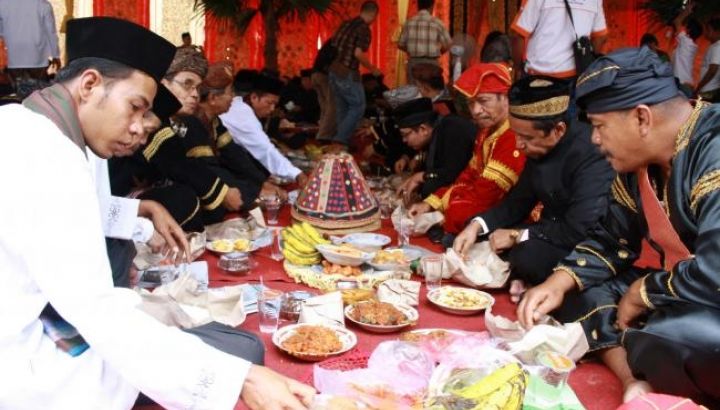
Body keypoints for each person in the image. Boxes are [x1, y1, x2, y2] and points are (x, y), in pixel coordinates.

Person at [0, 16, 315, 409]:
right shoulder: (46, 153)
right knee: (239, 357)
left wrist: (139, 213)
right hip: (26, 360)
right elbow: (94, 307)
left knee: (229, 348)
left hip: (46, 327)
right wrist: (238, 380)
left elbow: (71, 218)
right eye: (135, 108)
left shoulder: (29, 126)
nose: (138, 128)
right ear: (90, 84)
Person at [518, 47, 720, 406]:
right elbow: (613, 239)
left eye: (599, 126)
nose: (594, 139)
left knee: (674, 335)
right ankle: (635, 379)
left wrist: (643, 291)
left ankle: (644, 355)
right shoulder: (637, 165)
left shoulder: (714, 148)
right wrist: (558, 282)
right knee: (581, 291)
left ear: (642, 118)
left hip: (706, 299)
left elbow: (715, 272)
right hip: (683, 290)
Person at [452, 76, 614, 300]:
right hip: (548, 231)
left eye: (525, 137)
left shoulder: (591, 153)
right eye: (517, 134)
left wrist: (518, 235)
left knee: (528, 255)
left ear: (558, 130)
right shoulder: (539, 146)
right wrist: (475, 227)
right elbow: (518, 201)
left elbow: (580, 228)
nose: (518, 144)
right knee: (482, 236)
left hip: (585, 244)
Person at [110, 48, 244, 231]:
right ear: (163, 83)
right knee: (183, 197)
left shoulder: (185, 120)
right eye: (187, 84)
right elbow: (177, 163)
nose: (195, 94)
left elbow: (205, 164)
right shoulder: (147, 115)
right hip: (115, 201)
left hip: (144, 193)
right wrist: (224, 192)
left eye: (197, 87)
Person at [408, 63, 525, 237]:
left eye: (484, 101)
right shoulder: (485, 132)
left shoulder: (513, 135)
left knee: (459, 219)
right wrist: (431, 204)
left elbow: (487, 195)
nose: (476, 111)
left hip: (515, 214)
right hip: (485, 203)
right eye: (471, 103)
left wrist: (442, 215)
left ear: (506, 97)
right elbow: (469, 175)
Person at [220, 70, 309, 187]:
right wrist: (297, 174)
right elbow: (265, 150)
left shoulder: (243, 108)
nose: (272, 109)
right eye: (269, 103)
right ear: (254, 97)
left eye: (274, 105)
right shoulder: (242, 113)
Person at [394, 97, 476, 203]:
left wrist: (420, 177)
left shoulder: (453, 129)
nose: (404, 140)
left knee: (430, 187)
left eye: (405, 135)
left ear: (423, 129)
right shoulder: (436, 133)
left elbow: (451, 175)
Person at [327, 1, 382, 148]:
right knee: (358, 105)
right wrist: (372, 69)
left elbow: (334, 44)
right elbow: (358, 53)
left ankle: (342, 144)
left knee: (342, 108)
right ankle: (340, 141)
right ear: (373, 14)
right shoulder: (364, 29)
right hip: (347, 72)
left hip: (333, 70)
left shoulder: (346, 24)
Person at [510, 0, 607, 79]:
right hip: (574, 79)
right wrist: (585, 62)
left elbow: (518, 35)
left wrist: (518, 68)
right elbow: (600, 37)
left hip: (537, 77)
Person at [0, 0, 60, 83]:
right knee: (38, 93)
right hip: (37, 59)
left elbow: (1, 32)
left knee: (18, 93)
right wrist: (55, 55)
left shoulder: (2, 3)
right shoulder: (43, 4)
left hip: (13, 58)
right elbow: (51, 32)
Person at [398, 0, 452, 82]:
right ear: (432, 6)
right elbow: (448, 44)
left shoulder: (409, 22)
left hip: (414, 63)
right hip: (431, 63)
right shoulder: (437, 23)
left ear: (418, 6)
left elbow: (400, 44)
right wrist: (440, 51)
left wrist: (410, 49)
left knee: (414, 92)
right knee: (431, 92)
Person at [671, 3, 702, 92]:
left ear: (688, 30)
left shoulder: (685, 41)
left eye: (686, 26)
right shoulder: (692, 45)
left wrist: (686, 11)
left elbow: (677, 21)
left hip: (680, 83)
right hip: (686, 83)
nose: (683, 28)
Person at [696, 17, 720, 102]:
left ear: (717, 32)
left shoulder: (717, 47)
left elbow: (712, 70)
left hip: (709, 90)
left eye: (708, 30)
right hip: (709, 89)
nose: (705, 32)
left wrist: (699, 86)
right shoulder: (714, 46)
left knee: (698, 113)